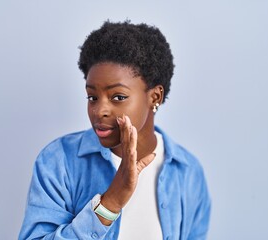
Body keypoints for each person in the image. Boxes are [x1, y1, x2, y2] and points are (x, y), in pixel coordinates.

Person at [19, 20, 211, 240]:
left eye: (118, 97)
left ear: (155, 97)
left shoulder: (187, 172)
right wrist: (110, 203)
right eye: (92, 97)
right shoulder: (59, 161)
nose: (99, 110)